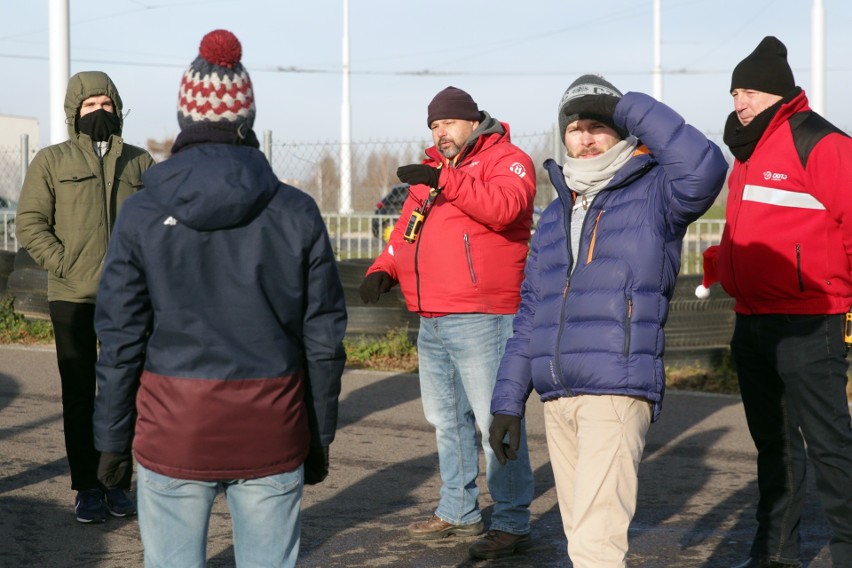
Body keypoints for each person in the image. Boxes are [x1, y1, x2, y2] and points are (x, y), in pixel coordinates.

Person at [91, 29, 347, 567]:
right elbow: (322, 338)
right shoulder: (296, 212)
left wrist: (111, 439)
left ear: (186, 116)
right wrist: (318, 436)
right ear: (245, 119)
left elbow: (120, 338)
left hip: (173, 427)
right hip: (271, 427)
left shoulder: (141, 212)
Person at [488, 74, 727, 568]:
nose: (586, 137)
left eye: (599, 125)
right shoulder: (556, 212)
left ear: (622, 131)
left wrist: (629, 107)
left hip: (617, 386)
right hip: (558, 394)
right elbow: (532, 309)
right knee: (581, 535)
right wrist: (508, 401)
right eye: (576, 128)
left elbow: (705, 167)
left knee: (597, 540)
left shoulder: (657, 190)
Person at [359, 86, 537, 560]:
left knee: (493, 422)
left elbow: (506, 208)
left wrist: (445, 181)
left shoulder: (508, 159)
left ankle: (512, 519)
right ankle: (458, 511)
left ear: (472, 121)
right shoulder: (431, 176)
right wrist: (384, 268)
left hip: (484, 315)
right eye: (433, 126)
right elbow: (405, 232)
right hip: (431, 316)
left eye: (447, 124)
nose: (440, 133)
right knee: (445, 421)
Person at [715, 36, 852, 568]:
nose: (738, 103)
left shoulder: (820, 142)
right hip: (751, 321)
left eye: (747, 91)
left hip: (812, 320)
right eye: (733, 93)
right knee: (774, 447)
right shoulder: (747, 152)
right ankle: (775, 553)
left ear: (777, 94)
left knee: (831, 446)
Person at [16, 70, 154, 524]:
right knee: (79, 394)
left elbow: (158, 225)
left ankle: (117, 483)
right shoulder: (51, 162)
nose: (99, 112)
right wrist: (65, 264)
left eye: (106, 103)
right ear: (75, 111)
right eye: (90, 105)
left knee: (125, 392)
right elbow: (31, 223)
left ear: (117, 108)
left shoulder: (140, 163)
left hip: (128, 300)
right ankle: (87, 486)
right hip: (72, 296)